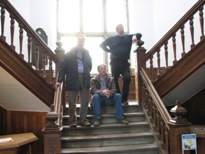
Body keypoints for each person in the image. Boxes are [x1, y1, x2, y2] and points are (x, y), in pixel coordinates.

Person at [55, 34, 92, 127]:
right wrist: (59, 81)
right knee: (72, 101)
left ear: (84, 41)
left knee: (85, 101)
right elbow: (63, 68)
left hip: (85, 78)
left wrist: (86, 72)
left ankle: (83, 120)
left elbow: (90, 65)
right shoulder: (69, 53)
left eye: (83, 40)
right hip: (72, 78)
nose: (81, 41)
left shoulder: (87, 52)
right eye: (80, 40)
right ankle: (72, 121)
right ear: (76, 41)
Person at [100, 24, 142, 106]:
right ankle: (118, 97)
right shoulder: (111, 38)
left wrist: (134, 36)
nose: (122, 29)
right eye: (120, 28)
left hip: (125, 62)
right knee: (114, 80)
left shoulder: (128, 37)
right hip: (115, 62)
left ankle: (124, 99)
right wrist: (109, 51)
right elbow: (101, 45)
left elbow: (140, 34)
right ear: (117, 30)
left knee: (127, 78)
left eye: (123, 28)